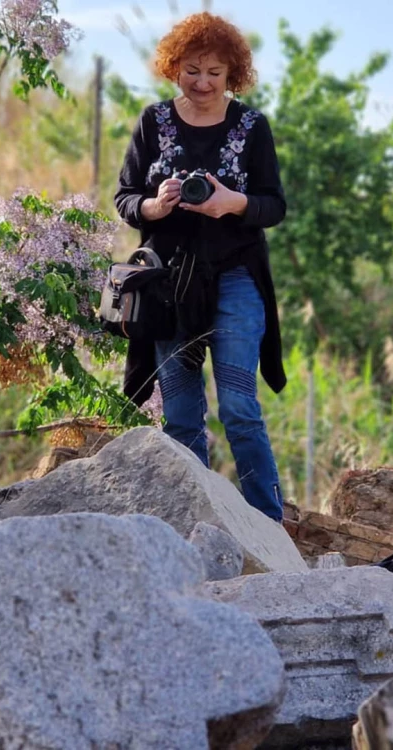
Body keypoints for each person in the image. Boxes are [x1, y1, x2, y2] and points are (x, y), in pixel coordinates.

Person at [113, 11, 287, 523]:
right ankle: (193, 521)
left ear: (233, 71)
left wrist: (231, 202)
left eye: (215, 71)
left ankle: (266, 524)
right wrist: (154, 205)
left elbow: (273, 205)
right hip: (170, 285)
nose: (204, 82)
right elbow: (124, 198)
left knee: (239, 407)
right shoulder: (154, 121)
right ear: (174, 67)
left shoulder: (253, 126)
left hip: (236, 275)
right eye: (192, 70)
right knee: (182, 414)